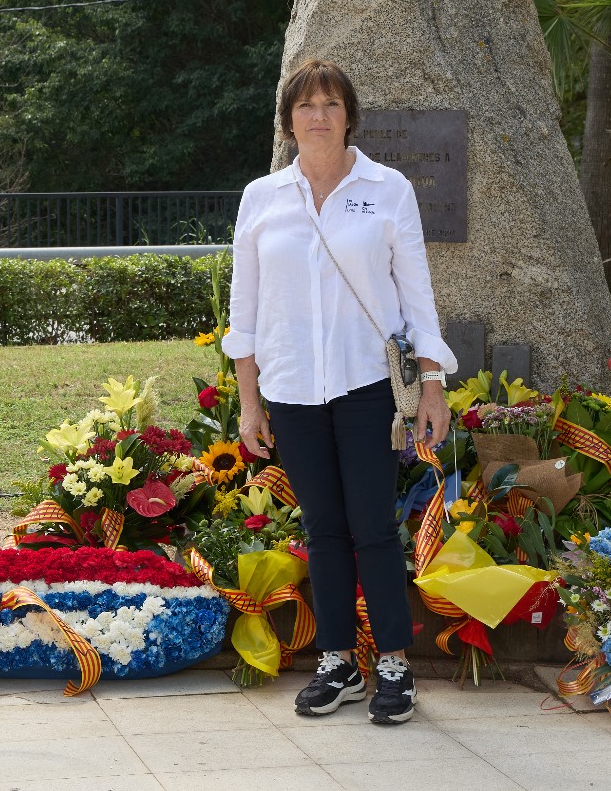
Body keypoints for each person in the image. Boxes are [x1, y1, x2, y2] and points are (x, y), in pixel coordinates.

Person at [221, 58, 456, 725]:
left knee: (374, 530)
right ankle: (336, 663)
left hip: (365, 387)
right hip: (292, 389)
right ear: (288, 121)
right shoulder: (262, 197)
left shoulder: (388, 189)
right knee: (322, 531)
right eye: (305, 106)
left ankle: (392, 667)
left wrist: (433, 384)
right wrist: (249, 400)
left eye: (330, 104)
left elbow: (417, 297)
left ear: (349, 115)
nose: (318, 116)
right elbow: (246, 312)